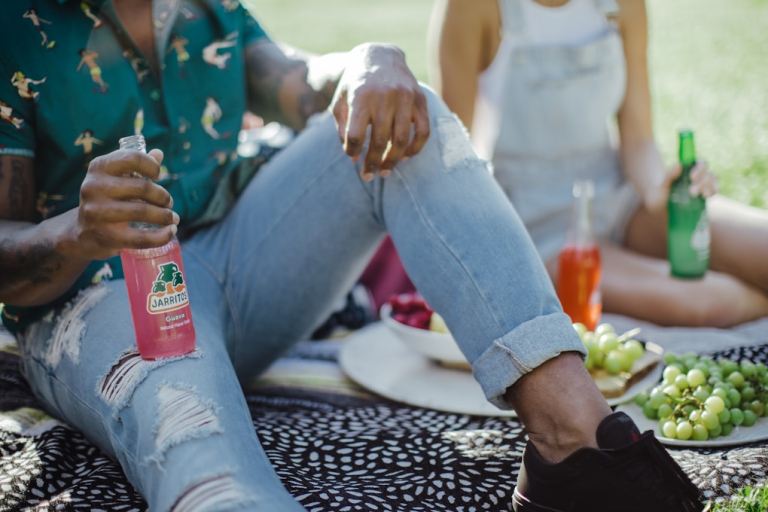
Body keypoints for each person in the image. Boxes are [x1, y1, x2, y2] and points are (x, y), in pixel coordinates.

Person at [0, 1, 700, 511]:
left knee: (399, 112)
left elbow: (299, 80)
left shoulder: (201, 7)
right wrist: (76, 231)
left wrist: (370, 61)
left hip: (239, 266)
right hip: (98, 301)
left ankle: (573, 443)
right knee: (204, 461)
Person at [430, 0, 768, 328]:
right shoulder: (471, 5)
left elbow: (638, 138)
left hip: (619, 196)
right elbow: (452, 158)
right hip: (537, 226)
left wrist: (658, 191)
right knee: (711, 302)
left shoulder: (624, 5)